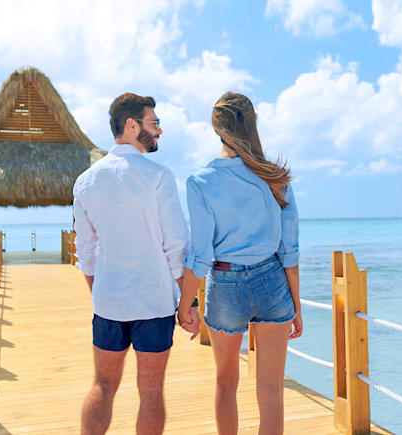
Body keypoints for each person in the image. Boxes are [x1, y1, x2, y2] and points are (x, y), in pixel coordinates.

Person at [177, 92, 302, 435]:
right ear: (252, 123)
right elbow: (290, 249)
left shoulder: (200, 181)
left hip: (226, 282)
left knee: (225, 382)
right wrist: (296, 304)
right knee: (272, 390)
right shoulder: (274, 175)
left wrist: (185, 305)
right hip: (272, 280)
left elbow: (200, 254)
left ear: (216, 128)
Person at [73, 93, 197, 435]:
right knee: (152, 390)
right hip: (154, 303)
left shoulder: (86, 180)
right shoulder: (158, 176)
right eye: (154, 123)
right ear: (131, 125)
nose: (159, 130)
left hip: (109, 302)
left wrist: (99, 292)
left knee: (103, 385)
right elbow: (176, 246)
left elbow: (86, 249)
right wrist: (189, 303)